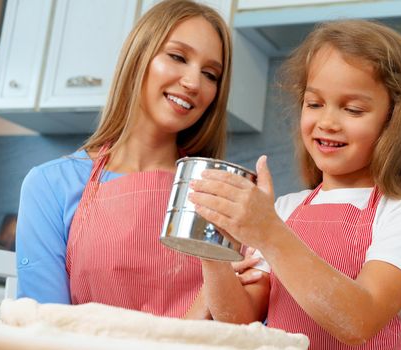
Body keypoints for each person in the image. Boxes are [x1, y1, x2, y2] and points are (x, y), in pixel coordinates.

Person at [189, 19, 401, 348]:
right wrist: (213, 248)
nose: (327, 122)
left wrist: (269, 232)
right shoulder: (286, 209)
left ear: (394, 121)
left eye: (353, 109)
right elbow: (242, 322)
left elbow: (359, 320)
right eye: (314, 104)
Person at [16, 0, 268, 320]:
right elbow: (45, 327)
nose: (193, 83)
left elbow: (241, 327)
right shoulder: (50, 186)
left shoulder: (222, 195)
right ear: (139, 57)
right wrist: (208, 297)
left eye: (210, 74)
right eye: (178, 57)